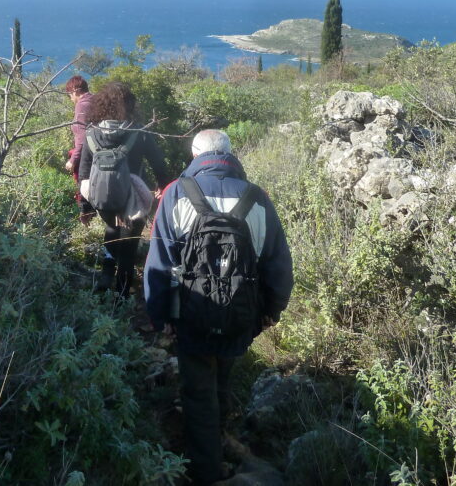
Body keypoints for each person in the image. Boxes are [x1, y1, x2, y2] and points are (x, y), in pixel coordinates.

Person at [145, 129, 293, 486]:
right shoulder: (257, 198)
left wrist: (160, 316)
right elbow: (278, 265)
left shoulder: (176, 193)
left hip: (191, 314)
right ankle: (222, 437)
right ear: (230, 154)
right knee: (222, 378)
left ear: (196, 156)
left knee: (197, 395)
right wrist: (271, 310)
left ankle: (206, 471)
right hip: (241, 315)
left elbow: (159, 264)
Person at [78, 81, 170, 297]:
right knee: (129, 246)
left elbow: (83, 173)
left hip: (103, 197)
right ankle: (121, 296)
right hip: (134, 198)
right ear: (130, 104)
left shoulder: (91, 133)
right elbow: (159, 164)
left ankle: (105, 277)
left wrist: (85, 208)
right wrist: (161, 186)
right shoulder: (139, 132)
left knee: (111, 230)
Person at [64, 75, 96, 226]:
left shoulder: (82, 105)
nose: (70, 97)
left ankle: (87, 227)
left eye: (69, 93)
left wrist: (73, 160)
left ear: (75, 91)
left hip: (86, 157)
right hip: (98, 154)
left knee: (84, 191)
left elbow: (82, 139)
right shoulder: (95, 100)